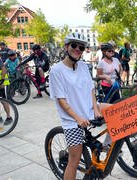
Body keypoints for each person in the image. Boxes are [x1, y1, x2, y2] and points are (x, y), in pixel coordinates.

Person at [49, 32, 108, 180]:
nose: (77, 49)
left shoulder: (83, 66)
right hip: (72, 120)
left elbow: (90, 89)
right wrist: (78, 118)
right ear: (66, 46)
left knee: (121, 112)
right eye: (74, 45)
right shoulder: (57, 70)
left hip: (89, 109)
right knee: (73, 162)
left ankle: (107, 146)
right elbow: (61, 101)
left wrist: (95, 108)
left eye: (81, 47)